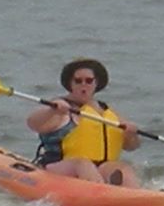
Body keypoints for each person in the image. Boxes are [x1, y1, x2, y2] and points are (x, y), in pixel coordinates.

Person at [27, 58, 142, 187]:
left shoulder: (105, 110)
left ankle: (137, 197)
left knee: (122, 168)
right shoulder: (60, 107)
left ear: (96, 83)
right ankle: (99, 195)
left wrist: (131, 134)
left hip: (99, 169)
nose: (83, 85)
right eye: (78, 81)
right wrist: (51, 111)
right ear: (70, 84)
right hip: (59, 167)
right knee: (82, 164)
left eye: (89, 81)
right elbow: (32, 123)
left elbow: (132, 147)